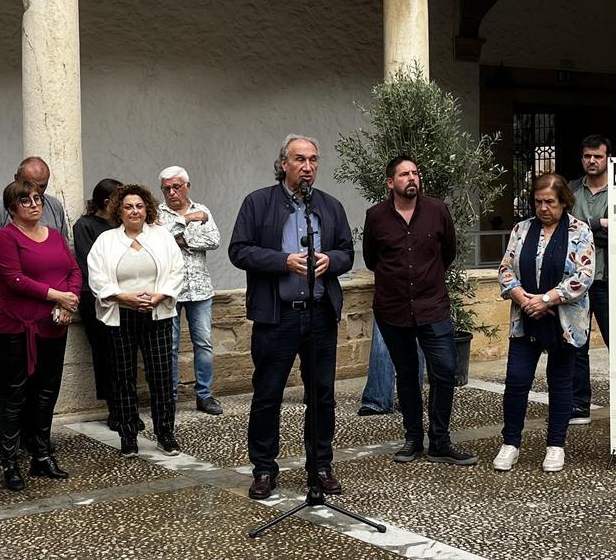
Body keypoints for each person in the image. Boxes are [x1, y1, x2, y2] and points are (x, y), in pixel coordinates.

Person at [228, 134, 354, 500]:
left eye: (313, 159)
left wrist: (332, 261)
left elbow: (347, 251)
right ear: (283, 163)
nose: (308, 166)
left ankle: (321, 465)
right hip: (276, 316)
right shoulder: (258, 202)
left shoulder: (329, 206)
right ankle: (264, 468)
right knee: (268, 395)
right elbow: (239, 251)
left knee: (322, 395)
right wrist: (282, 262)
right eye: (300, 159)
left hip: (319, 316)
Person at [362, 155, 476, 465]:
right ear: (391, 182)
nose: (411, 178)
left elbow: (448, 252)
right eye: (404, 174)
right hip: (393, 310)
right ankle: (413, 438)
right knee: (407, 374)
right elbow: (372, 259)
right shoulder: (376, 217)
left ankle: (440, 441)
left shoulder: (438, 210)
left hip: (433, 307)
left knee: (444, 371)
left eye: (414, 173)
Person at [493, 172, 595, 473]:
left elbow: (584, 276)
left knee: (561, 383)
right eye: (538, 202)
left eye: (550, 202)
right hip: (525, 319)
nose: (543, 208)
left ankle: (555, 446)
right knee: (516, 381)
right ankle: (510, 444)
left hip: (563, 320)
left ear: (563, 202)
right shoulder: (521, 230)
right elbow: (505, 269)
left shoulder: (579, 231)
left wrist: (548, 299)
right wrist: (525, 299)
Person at [0, 179, 82, 491]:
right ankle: (10, 462)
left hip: (53, 324)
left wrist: (69, 300)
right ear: (12, 208)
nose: (34, 204)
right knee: (15, 395)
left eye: (38, 198)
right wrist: (57, 295)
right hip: (17, 327)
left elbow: (74, 271)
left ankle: (42, 456)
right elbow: (14, 279)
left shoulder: (54, 236)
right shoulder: (5, 238)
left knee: (46, 391)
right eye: (26, 200)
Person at [86, 185, 185, 458]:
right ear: (119, 210)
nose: (134, 211)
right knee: (123, 376)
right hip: (120, 314)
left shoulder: (162, 235)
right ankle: (128, 434)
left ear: (147, 209)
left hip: (157, 312)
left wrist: (160, 295)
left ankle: (166, 433)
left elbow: (177, 269)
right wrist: (123, 297)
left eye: (139, 206)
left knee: (161, 375)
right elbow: (96, 276)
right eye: (128, 206)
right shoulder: (106, 240)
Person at [157, 166, 223, 416]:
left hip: (200, 290)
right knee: (169, 346)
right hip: (169, 291)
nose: (172, 192)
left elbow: (214, 240)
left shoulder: (203, 209)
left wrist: (185, 241)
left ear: (187, 186)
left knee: (204, 343)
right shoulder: (157, 214)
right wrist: (187, 220)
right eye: (167, 188)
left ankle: (204, 395)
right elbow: (160, 239)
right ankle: (170, 397)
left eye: (177, 187)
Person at [72, 177, 127, 431]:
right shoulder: (84, 225)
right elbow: (89, 263)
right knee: (105, 355)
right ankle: (114, 409)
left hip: (125, 297)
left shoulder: (122, 225)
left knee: (123, 355)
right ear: (107, 201)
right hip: (95, 298)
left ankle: (127, 407)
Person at [568, 135, 611, 425]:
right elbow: (566, 230)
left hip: (609, 279)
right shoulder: (572, 190)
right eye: (587, 156)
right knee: (576, 345)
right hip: (576, 282)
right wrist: (598, 226)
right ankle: (578, 404)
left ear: (608, 157)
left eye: (597, 156)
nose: (591, 161)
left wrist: (586, 231)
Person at [0, 157, 69, 299]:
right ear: (16, 179)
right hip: (17, 294)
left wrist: (67, 294)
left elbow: (67, 254)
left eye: (42, 186)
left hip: (56, 293)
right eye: (29, 184)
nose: (34, 191)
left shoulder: (54, 206)